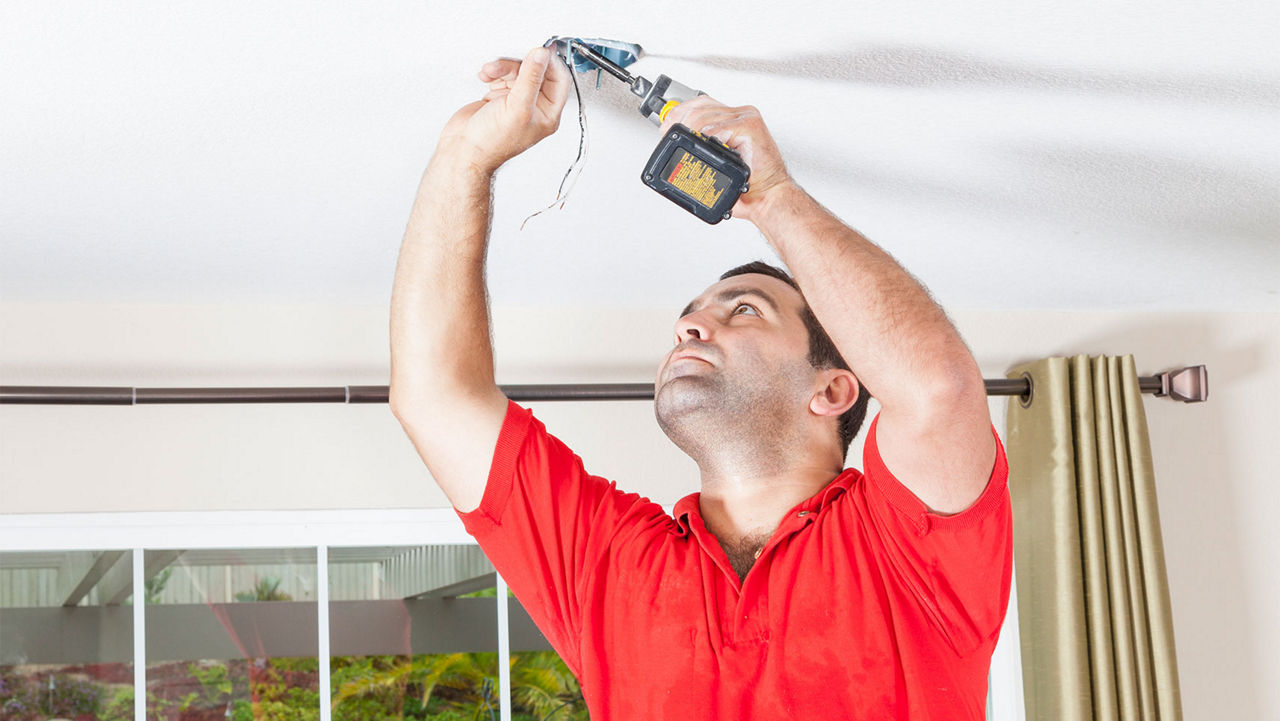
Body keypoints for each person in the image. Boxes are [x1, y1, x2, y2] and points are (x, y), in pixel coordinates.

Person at [389, 45, 1012, 720]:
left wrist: (773, 199)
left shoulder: (906, 544)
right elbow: (434, 397)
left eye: (744, 308)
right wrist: (464, 153)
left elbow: (937, 388)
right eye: (689, 317)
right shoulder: (611, 564)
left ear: (834, 390)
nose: (689, 327)